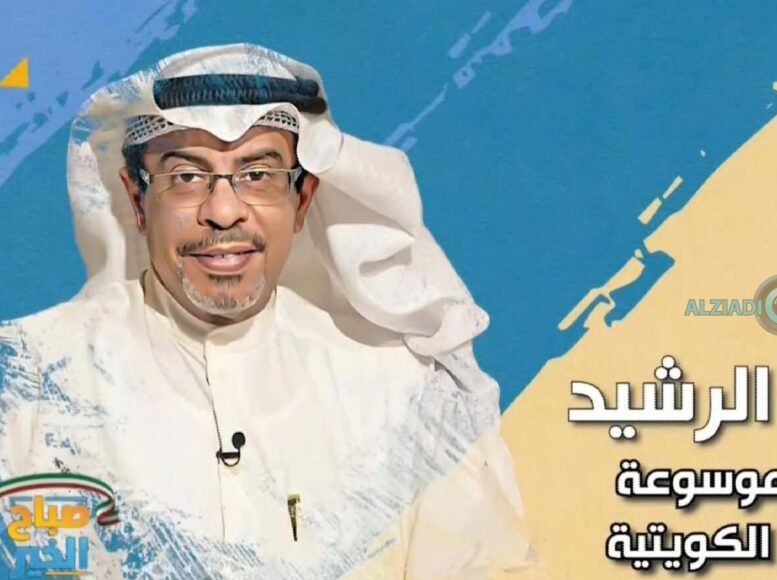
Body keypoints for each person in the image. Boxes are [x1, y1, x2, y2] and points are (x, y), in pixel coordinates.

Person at [0, 44, 541, 579]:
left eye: (257, 174)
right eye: (186, 177)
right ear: (138, 199)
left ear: (302, 199)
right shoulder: (29, 380)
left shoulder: (399, 391)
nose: (224, 211)